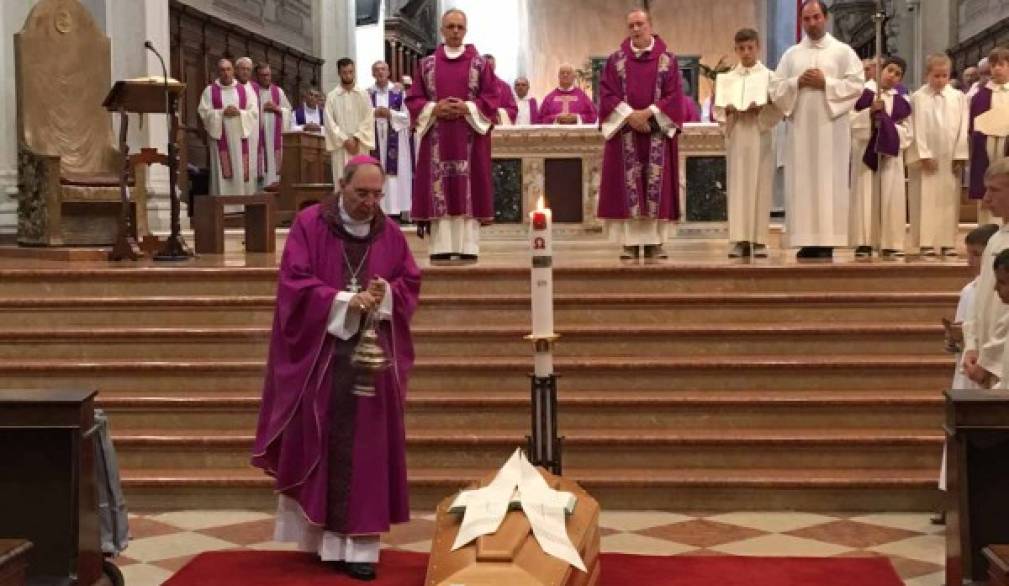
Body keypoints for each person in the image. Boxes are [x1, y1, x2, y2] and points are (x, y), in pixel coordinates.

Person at [252, 155, 421, 582]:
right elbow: (294, 281)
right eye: (362, 193)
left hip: (369, 364)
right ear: (341, 186)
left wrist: (384, 296)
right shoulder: (310, 225)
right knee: (321, 440)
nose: (370, 203)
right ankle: (320, 539)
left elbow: (409, 281)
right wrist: (345, 301)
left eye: (377, 194)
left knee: (366, 450)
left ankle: (361, 545)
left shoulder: (391, 233)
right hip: (324, 359)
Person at [771, 0, 864, 259]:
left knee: (828, 180)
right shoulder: (791, 55)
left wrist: (827, 83)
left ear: (825, 18)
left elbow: (857, 85)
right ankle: (805, 238)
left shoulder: (843, 52)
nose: (811, 23)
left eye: (816, 17)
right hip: (801, 130)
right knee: (802, 181)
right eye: (807, 19)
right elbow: (776, 89)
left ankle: (828, 239)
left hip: (831, 130)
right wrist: (795, 83)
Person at [407, 8, 499, 263]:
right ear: (442, 30)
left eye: (460, 27)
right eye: (451, 27)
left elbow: (491, 98)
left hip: (469, 135)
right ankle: (442, 245)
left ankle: (467, 246)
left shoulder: (480, 65)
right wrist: (434, 108)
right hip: (438, 135)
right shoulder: (426, 65)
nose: (455, 32)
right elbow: (414, 98)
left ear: (466, 30)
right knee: (441, 187)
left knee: (468, 187)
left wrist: (466, 107)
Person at [598, 8, 684, 261]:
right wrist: (630, 116)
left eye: (640, 24)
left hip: (655, 130)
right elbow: (607, 94)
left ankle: (655, 243)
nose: (636, 30)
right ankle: (630, 243)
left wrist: (647, 113)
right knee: (629, 188)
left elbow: (674, 95)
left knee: (655, 187)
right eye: (631, 26)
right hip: (626, 132)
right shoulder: (616, 61)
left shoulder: (668, 60)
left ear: (650, 25)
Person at [936, 223, 998, 523]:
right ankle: (950, 497)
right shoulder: (969, 290)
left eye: (976, 254)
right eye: (969, 254)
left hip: (984, 367)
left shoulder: (991, 290)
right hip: (966, 365)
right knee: (956, 430)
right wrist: (954, 339)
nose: (970, 261)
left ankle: (968, 502)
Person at [714, 28, 782, 258]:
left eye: (750, 48)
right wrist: (728, 111)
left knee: (760, 184)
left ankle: (759, 240)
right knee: (737, 185)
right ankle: (738, 239)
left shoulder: (770, 76)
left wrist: (763, 108)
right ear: (735, 50)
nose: (745, 53)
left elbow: (779, 108)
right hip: (737, 134)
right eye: (741, 49)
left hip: (759, 134)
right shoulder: (727, 78)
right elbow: (719, 111)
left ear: (758, 47)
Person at [849, 55, 912, 259]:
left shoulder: (902, 101)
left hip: (890, 157)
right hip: (866, 152)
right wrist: (869, 114)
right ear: (880, 70)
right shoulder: (863, 93)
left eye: (898, 74)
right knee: (866, 194)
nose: (892, 76)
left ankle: (890, 242)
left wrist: (885, 126)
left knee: (890, 196)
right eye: (890, 70)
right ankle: (864, 242)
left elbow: (908, 132)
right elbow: (850, 122)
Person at [907, 54, 970, 257]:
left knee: (948, 200)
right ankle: (925, 242)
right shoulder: (918, 97)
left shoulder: (958, 97)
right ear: (927, 75)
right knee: (924, 199)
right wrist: (923, 154)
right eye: (936, 76)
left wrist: (960, 154)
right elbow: (915, 127)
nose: (940, 80)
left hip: (949, 157)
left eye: (944, 75)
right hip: (927, 158)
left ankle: (946, 242)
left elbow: (963, 126)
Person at [962, 158, 1009, 389]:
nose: (987, 198)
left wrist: (989, 361)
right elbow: (980, 300)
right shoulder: (996, 239)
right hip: (985, 358)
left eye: (995, 190)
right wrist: (972, 345)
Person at [198, 58, 259, 196]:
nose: (226, 73)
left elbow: (254, 111)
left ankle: (240, 204)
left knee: (239, 169)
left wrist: (239, 112)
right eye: (222, 70)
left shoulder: (244, 90)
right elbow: (203, 112)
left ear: (233, 71)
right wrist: (221, 113)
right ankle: (222, 206)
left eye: (228, 69)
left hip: (239, 138)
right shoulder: (210, 91)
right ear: (218, 72)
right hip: (220, 137)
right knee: (221, 172)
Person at [368, 61, 413, 222]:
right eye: (377, 70)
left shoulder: (399, 92)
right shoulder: (367, 93)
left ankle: (394, 210)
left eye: (383, 69)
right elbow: (362, 115)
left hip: (395, 137)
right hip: (375, 137)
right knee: (376, 171)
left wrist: (390, 114)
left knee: (394, 172)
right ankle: (376, 208)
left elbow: (408, 116)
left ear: (389, 72)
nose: (380, 73)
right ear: (373, 73)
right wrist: (375, 112)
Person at [969, 47, 1009, 225]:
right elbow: (974, 125)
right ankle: (987, 230)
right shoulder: (981, 95)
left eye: (1001, 64)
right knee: (988, 181)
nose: (997, 69)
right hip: (987, 147)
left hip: (1006, 145)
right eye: (993, 65)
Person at [325, 58, 376, 185]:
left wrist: (357, 138)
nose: (348, 75)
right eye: (344, 72)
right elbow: (329, 122)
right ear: (339, 73)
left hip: (360, 145)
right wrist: (345, 139)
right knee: (342, 180)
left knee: (361, 180)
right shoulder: (332, 96)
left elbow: (368, 118)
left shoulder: (363, 94)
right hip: (341, 146)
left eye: (350, 72)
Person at [253, 63, 292, 188]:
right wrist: (261, 108)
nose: (266, 78)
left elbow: (289, 112)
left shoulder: (278, 92)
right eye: (263, 75)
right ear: (257, 76)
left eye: (268, 75)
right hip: (259, 137)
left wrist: (277, 108)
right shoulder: (252, 91)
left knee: (274, 169)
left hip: (275, 137)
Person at [234, 57, 261, 186]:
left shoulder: (254, 87)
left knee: (251, 165)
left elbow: (255, 111)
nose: (245, 72)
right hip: (235, 132)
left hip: (252, 134)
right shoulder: (231, 87)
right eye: (243, 69)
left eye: (248, 70)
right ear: (236, 70)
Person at [484, 54, 518, 126]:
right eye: (486, 66)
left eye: (491, 65)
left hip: (498, 128)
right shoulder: (474, 86)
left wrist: (499, 113)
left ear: (495, 66)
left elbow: (513, 110)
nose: (489, 68)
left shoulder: (505, 87)